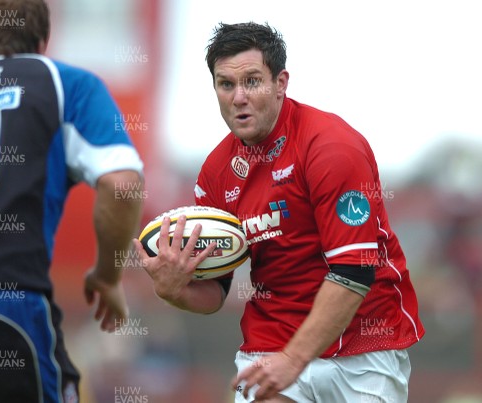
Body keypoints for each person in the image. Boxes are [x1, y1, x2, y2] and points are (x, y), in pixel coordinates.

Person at [136, 22, 424, 402]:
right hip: (271, 347)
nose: (238, 96)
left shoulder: (332, 147)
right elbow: (216, 290)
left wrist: (295, 358)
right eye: (225, 84)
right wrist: (173, 290)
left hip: (364, 349)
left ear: (280, 83)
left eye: (252, 81)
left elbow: (354, 271)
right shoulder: (215, 174)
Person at [0, 0, 144, 402]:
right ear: (43, 38)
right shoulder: (63, 83)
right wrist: (108, 274)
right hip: (5, 311)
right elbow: (121, 184)